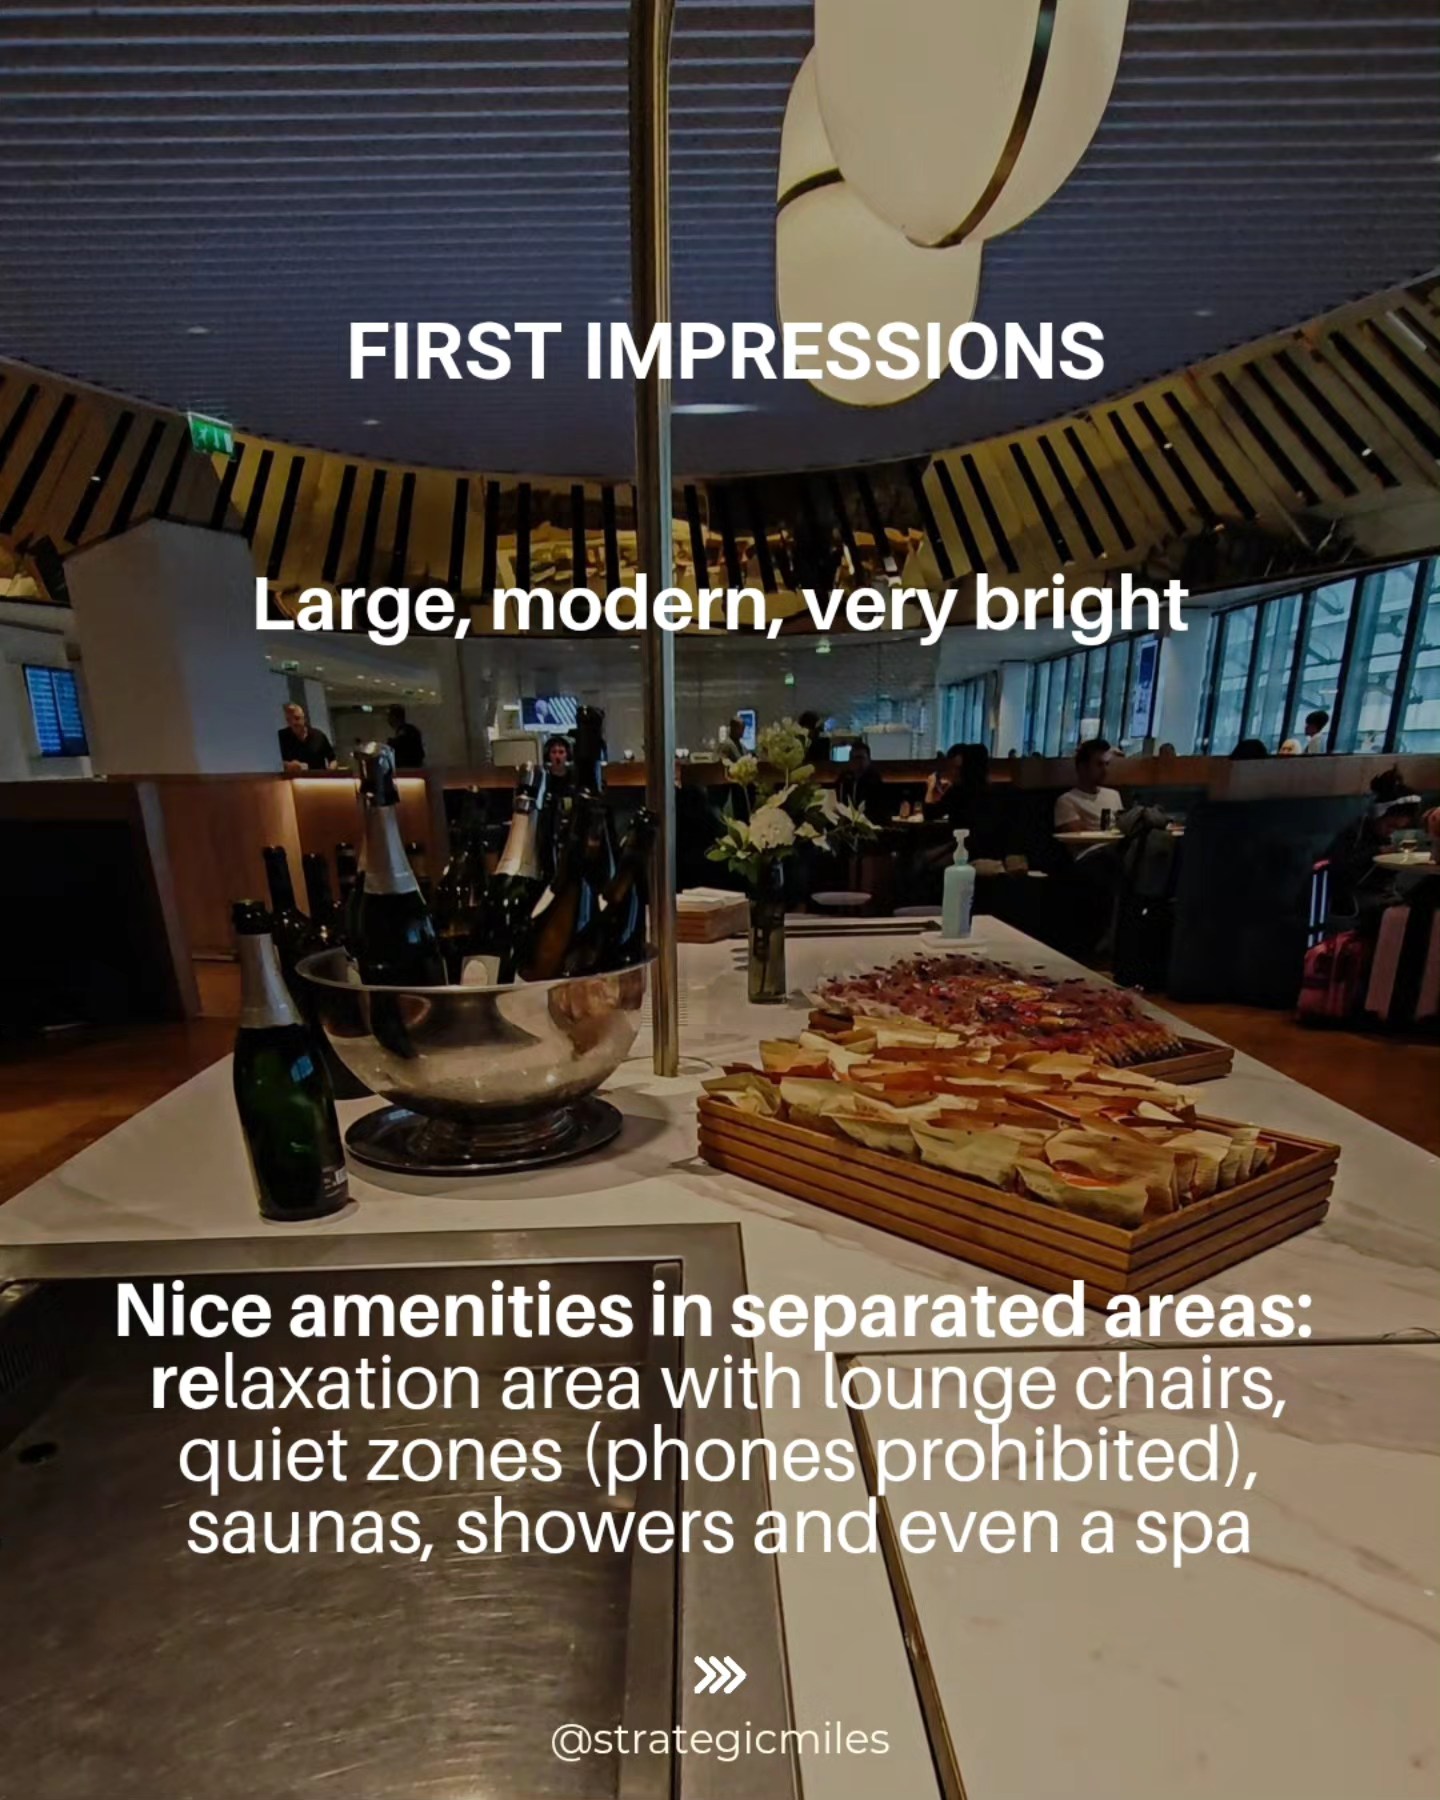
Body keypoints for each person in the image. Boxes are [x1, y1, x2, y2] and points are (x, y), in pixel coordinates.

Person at [1054, 738, 1123, 834]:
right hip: (1093, 844)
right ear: (1082, 767)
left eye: (1106, 764)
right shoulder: (1067, 801)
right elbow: (1077, 838)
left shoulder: (1114, 795)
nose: (1105, 770)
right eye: (1099, 764)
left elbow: (1122, 828)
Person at [836, 739, 891, 824]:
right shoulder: (844, 780)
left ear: (868, 760)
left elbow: (880, 812)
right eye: (855, 758)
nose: (858, 762)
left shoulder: (875, 783)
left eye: (861, 758)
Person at [277, 701, 334, 773]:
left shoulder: (318, 736)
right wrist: (288, 765)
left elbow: (332, 759)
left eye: (297, 718)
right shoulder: (281, 737)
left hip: (319, 777)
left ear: (304, 718)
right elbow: (274, 762)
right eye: (289, 720)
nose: (293, 722)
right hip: (293, 778)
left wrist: (331, 771)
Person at [386, 704, 425, 770]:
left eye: (390, 717)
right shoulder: (410, 730)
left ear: (394, 718)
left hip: (407, 768)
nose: (388, 720)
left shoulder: (405, 732)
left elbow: (402, 747)